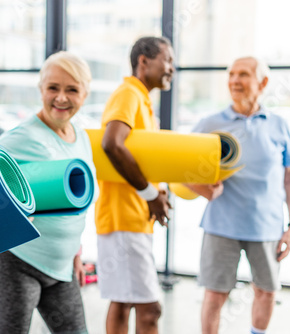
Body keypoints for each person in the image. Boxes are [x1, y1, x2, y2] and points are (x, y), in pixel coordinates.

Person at [0, 51, 97, 334]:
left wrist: (76, 250)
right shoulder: (23, 137)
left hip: (62, 267)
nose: (61, 98)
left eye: (72, 89)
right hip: (18, 262)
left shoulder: (81, 136)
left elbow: (78, 202)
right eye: (53, 88)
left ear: (85, 94)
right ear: (41, 89)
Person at [186, 56, 290, 334]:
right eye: (232, 74)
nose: (235, 80)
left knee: (266, 291)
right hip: (221, 225)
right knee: (215, 295)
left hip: (267, 226)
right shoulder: (210, 123)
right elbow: (182, 169)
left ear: (263, 82)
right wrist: (204, 191)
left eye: (244, 74)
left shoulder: (278, 125)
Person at [94, 36, 174, 334]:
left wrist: (156, 190)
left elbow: (135, 157)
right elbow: (112, 144)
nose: (172, 69)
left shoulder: (140, 99)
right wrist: (150, 193)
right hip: (123, 219)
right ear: (144, 61)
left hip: (130, 218)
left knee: (122, 302)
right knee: (150, 310)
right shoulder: (128, 94)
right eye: (168, 60)